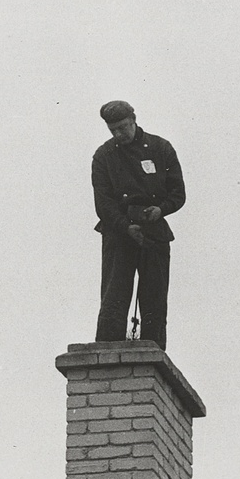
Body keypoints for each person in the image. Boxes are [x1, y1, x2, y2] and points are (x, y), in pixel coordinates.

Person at [91, 100, 186, 350]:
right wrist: (125, 226)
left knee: (154, 298)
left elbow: (178, 194)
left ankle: (153, 356)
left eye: (122, 127)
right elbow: (103, 203)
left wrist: (161, 210)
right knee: (114, 296)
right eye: (113, 130)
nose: (118, 135)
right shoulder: (103, 156)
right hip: (118, 233)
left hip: (154, 232)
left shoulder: (160, 148)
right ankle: (105, 356)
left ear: (134, 120)